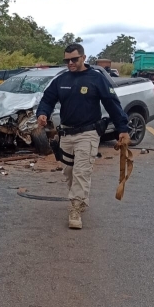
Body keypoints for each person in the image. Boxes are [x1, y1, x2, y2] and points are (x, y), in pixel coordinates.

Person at [36, 43, 130, 229]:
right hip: (66, 134)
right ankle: (79, 198)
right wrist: (43, 113)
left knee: (81, 172)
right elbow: (47, 99)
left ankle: (76, 208)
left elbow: (112, 104)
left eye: (74, 59)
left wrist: (123, 129)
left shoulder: (96, 79)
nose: (70, 63)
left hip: (88, 133)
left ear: (84, 58)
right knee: (69, 172)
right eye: (67, 60)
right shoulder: (61, 80)